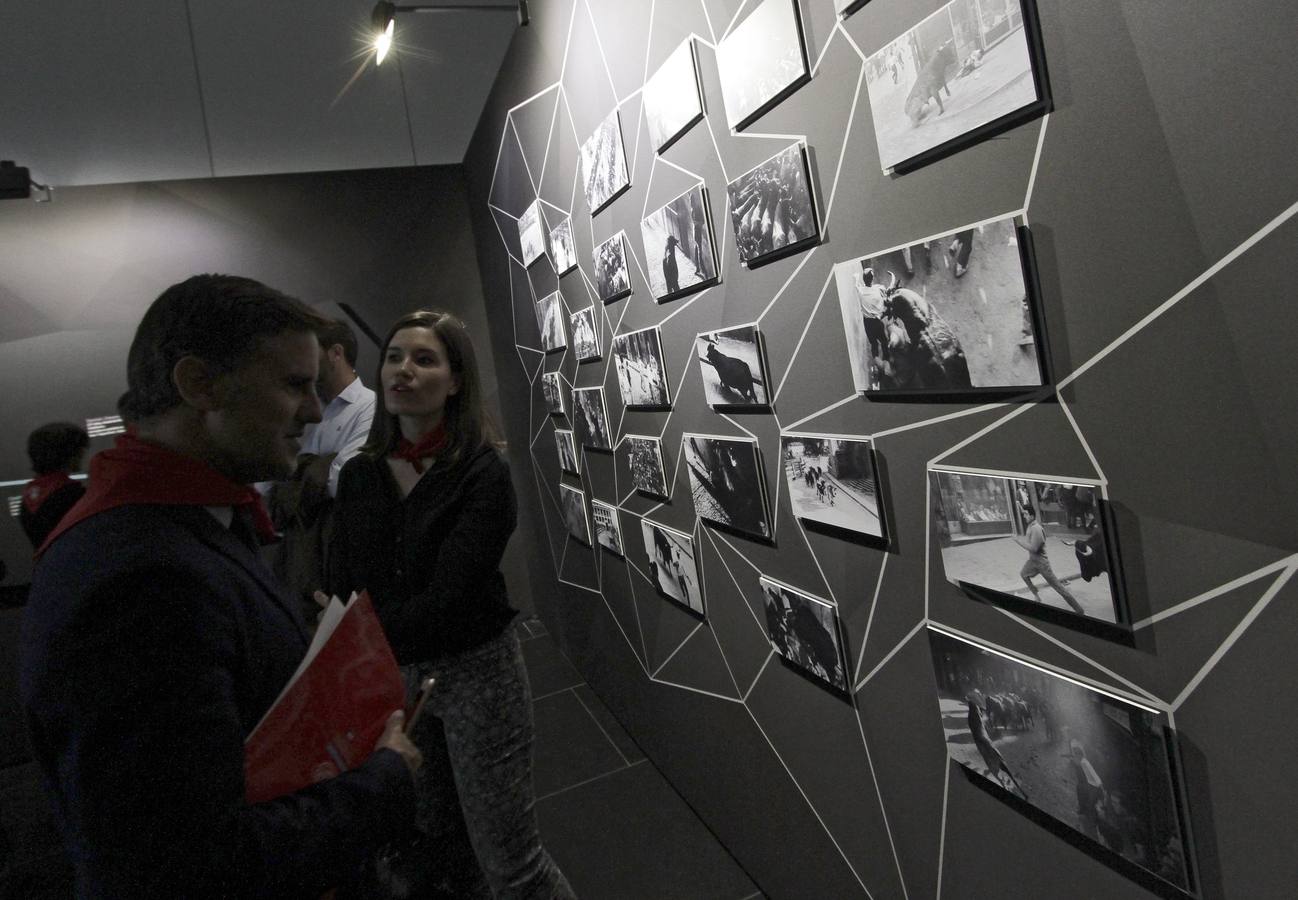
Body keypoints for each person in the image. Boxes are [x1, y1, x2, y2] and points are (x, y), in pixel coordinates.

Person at [19, 275, 421, 899]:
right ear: (199, 385)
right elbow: (184, 864)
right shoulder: (137, 581)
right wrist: (383, 780)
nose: (315, 410)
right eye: (294, 385)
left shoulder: (177, 527)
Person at [327, 310, 574, 899]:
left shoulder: (482, 474)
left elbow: (449, 598)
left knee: (511, 860)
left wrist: (377, 618)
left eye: (424, 359)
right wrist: (377, 619)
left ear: (455, 381)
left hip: (477, 673)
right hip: (397, 678)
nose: (402, 371)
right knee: (441, 846)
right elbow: (347, 584)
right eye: (393, 357)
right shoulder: (363, 475)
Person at [266, 317, 376, 620]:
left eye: (311, 350)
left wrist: (303, 471)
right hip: (294, 562)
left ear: (335, 353)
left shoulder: (370, 407)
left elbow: (342, 481)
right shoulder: (309, 411)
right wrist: (317, 466)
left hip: (339, 559)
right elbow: (269, 484)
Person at [18, 422, 89, 548]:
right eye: (80, 449)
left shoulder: (28, 498)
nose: (83, 454)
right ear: (68, 453)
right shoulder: (73, 495)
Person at [1014, 503, 1085, 614]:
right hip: (1032, 561)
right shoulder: (1030, 525)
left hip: (1042, 564)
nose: (1024, 516)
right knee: (1023, 574)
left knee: (1059, 588)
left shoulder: (1036, 529)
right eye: (1024, 514)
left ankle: (1079, 610)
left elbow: (1033, 548)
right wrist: (1021, 507)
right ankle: (1036, 595)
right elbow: (1025, 512)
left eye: (1026, 514)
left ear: (1032, 516)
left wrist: (1018, 541)